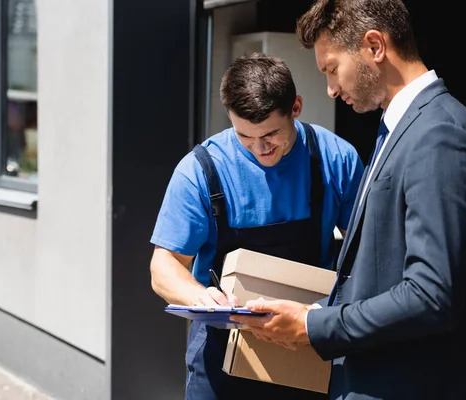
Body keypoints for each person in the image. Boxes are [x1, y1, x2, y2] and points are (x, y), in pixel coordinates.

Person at [231, 1, 466, 399]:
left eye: (331, 68)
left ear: (374, 46)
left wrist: (315, 325)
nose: (330, 88)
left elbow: (431, 295)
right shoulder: (402, 130)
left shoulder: (440, 135)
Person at [149, 52, 364, 400]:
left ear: (296, 106)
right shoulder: (200, 171)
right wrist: (201, 297)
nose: (260, 149)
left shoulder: (334, 158)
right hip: (221, 353)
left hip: (306, 343)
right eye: (245, 137)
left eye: (271, 135)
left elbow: (367, 252)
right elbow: (164, 266)